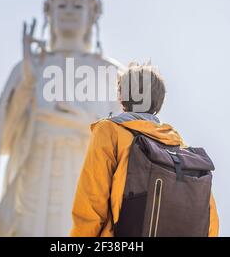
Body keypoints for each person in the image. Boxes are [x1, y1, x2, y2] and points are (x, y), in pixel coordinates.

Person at [69, 62, 219, 237]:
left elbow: (91, 204)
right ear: (158, 103)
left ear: (122, 97)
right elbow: (209, 218)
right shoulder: (180, 148)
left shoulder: (110, 131)